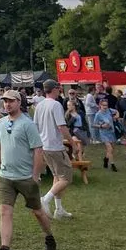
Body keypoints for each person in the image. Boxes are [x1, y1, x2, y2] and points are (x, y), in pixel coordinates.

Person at [0, 90, 57, 250]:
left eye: (11, 101)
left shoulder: (28, 124)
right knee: (5, 211)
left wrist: (35, 175)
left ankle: (49, 237)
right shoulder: (1, 123)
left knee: (38, 212)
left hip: (25, 177)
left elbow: (38, 150)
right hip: (5, 177)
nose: (7, 104)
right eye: (5, 101)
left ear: (19, 102)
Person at [33, 80, 73, 219]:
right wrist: (72, 141)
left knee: (57, 176)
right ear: (54, 89)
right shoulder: (55, 105)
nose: (60, 90)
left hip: (44, 146)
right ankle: (45, 199)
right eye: (58, 88)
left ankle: (59, 209)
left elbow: (36, 126)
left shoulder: (39, 105)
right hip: (55, 146)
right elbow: (61, 126)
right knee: (66, 178)